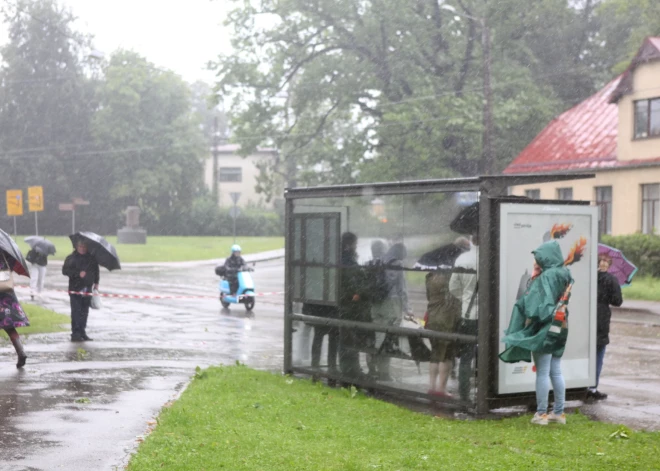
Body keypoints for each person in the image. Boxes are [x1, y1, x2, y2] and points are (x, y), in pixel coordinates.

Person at [500, 240, 572, 426]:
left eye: (538, 259)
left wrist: (533, 280)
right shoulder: (564, 273)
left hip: (545, 328)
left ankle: (541, 414)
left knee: (542, 372)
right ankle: (559, 412)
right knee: (555, 371)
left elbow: (536, 306)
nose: (536, 262)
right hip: (561, 325)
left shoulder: (546, 277)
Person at [426, 238, 469, 396]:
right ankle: (441, 389)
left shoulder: (430, 276)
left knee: (435, 352)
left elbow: (429, 296)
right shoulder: (453, 275)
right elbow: (459, 294)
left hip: (433, 316)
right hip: (449, 317)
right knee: (447, 354)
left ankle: (431, 386)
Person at [371, 242, 412, 381]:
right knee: (387, 340)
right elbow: (402, 289)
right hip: (391, 304)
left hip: (376, 304)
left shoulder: (378, 261)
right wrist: (408, 309)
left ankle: (372, 368)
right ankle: (384, 373)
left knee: (377, 338)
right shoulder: (398, 264)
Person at [588, 253, 623, 400]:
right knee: (598, 352)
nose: (603, 263)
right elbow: (617, 301)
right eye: (603, 261)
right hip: (601, 318)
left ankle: (583, 384)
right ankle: (593, 387)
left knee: (588, 351)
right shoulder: (612, 280)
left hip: (588, 315)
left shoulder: (590, 277)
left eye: (605, 261)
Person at [449, 232, 479, 402]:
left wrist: (467, 298)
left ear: (471, 240)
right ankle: (487, 391)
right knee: (488, 353)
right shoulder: (494, 256)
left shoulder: (462, 259)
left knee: (466, 356)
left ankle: (464, 393)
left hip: (468, 314)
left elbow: (453, 287)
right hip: (490, 316)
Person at [337, 232, 370, 379]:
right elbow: (351, 280)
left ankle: (349, 368)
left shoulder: (342, 258)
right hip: (349, 305)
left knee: (347, 338)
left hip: (345, 304)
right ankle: (350, 369)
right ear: (349, 244)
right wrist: (356, 293)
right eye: (355, 244)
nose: (356, 247)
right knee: (349, 339)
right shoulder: (347, 260)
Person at [62, 240, 99, 342]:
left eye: (84, 246)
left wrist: (96, 283)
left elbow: (96, 271)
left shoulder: (91, 259)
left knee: (84, 312)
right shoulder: (71, 258)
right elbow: (65, 271)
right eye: (80, 246)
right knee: (76, 312)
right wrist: (78, 274)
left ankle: (82, 332)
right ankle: (75, 333)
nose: (82, 248)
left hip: (87, 289)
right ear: (77, 247)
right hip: (75, 289)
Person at [0, 258, 28, 368]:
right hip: (6, 294)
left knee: (9, 327)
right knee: (9, 326)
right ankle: (21, 352)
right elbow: (11, 267)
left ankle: (21, 353)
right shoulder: (4, 255)